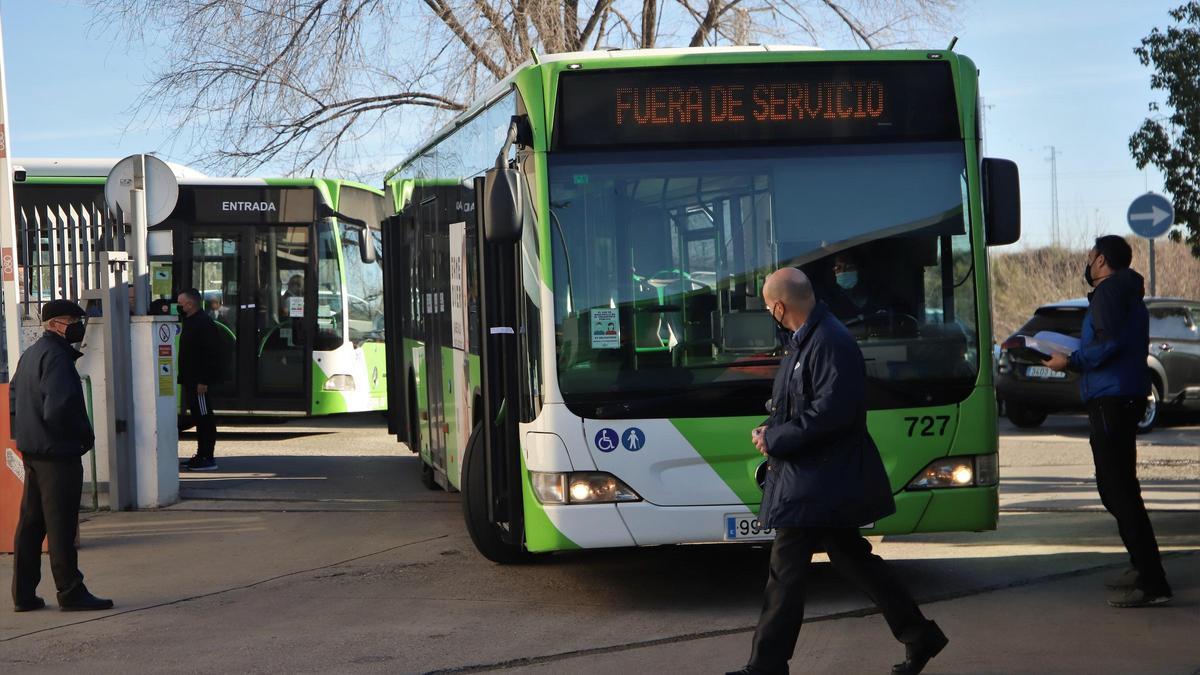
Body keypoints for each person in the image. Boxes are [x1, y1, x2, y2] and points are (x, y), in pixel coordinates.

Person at [728, 268, 946, 675]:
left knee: (786, 573)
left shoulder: (829, 342)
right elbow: (801, 406)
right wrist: (772, 429)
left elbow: (833, 413)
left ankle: (766, 666)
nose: (768, 313)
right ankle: (920, 635)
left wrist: (777, 439)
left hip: (819, 480)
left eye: (766, 305)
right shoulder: (808, 340)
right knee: (855, 562)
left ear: (778, 307)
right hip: (816, 477)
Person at [1042, 235, 1171, 607]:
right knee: (1117, 487)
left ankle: (1153, 580)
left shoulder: (1109, 293)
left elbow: (1108, 342)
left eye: (1089, 256)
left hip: (1111, 397)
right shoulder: (1127, 292)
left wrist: (1071, 361)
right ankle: (1142, 565)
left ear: (1100, 261)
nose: (1087, 262)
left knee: (1118, 491)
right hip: (1123, 393)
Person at [11, 299, 113, 612]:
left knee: (31, 524)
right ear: (56, 323)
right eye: (73, 319)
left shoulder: (31, 354)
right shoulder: (56, 357)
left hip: (34, 451)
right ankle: (70, 591)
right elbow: (61, 407)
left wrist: (25, 435)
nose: (79, 327)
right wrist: (82, 437)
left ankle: (24, 595)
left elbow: (14, 397)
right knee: (61, 526)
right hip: (57, 454)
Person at [177, 288, 221, 471]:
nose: (178, 307)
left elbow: (211, 355)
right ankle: (201, 454)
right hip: (191, 380)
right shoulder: (191, 321)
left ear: (190, 304)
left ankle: (207, 456)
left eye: (180, 304)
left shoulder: (203, 323)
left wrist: (203, 381)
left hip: (198, 382)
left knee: (204, 419)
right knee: (198, 416)